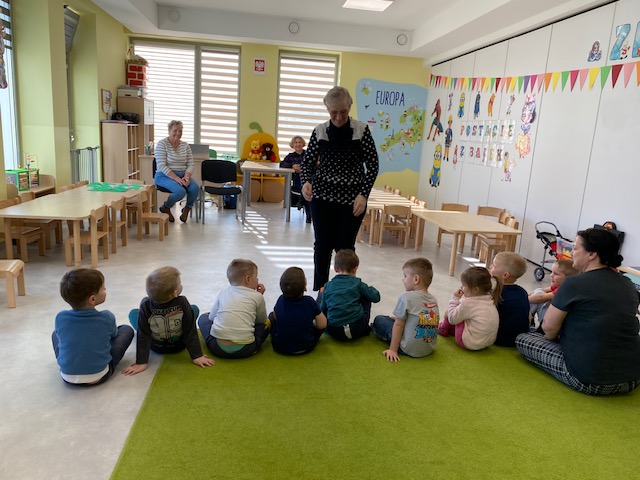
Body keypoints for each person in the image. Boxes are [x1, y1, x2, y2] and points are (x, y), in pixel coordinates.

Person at [516, 228, 640, 395]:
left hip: (588, 379)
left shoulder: (574, 283)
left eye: (575, 248)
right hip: (632, 378)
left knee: (523, 338)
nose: (572, 252)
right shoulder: (628, 285)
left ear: (592, 254)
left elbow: (549, 330)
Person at [301, 86, 379, 293]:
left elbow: (373, 165)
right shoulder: (320, 131)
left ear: (349, 108)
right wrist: (306, 182)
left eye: (343, 112)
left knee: (345, 248)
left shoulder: (361, 130)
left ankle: (345, 292)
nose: (338, 117)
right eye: (333, 112)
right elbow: (307, 164)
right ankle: (321, 292)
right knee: (322, 245)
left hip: (352, 201)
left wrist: (363, 194)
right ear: (327, 109)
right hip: (322, 198)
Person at [122, 267, 215, 375]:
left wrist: (141, 362)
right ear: (175, 293)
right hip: (180, 345)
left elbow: (143, 334)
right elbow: (190, 331)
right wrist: (197, 356)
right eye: (180, 283)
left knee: (134, 313)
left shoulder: (146, 304)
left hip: (155, 346)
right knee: (194, 309)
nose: (181, 284)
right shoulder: (182, 302)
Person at [52, 268, 134, 386]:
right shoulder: (107, 317)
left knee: (55, 334)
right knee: (126, 329)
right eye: (103, 289)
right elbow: (114, 335)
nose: (105, 290)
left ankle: (70, 363)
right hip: (99, 376)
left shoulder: (60, 317)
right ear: (92, 299)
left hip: (67, 377)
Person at [197, 259, 270, 359]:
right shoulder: (258, 296)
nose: (258, 280)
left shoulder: (223, 293)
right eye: (256, 277)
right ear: (248, 279)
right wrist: (259, 296)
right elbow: (261, 320)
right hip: (246, 349)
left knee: (203, 318)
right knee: (267, 324)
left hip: (217, 348)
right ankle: (255, 347)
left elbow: (211, 317)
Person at [372, 258, 439, 362]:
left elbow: (399, 325)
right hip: (429, 348)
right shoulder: (433, 300)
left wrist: (393, 350)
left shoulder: (406, 297)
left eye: (405, 276)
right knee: (395, 319)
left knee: (380, 319)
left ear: (416, 279)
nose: (403, 279)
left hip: (407, 349)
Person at [320, 249, 380, 341]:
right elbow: (376, 297)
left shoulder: (328, 286)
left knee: (323, 296)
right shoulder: (358, 283)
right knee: (366, 295)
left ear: (335, 268)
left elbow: (323, 309)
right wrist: (370, 288)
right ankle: (365, 329)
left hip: (334, 331)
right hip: (357, 329)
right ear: (355, 269)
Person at [437, 266, 502, 350]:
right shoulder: (490, 299)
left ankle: (443, 329)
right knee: (461, 313)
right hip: (487, 342)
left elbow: (452, 319)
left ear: (475, 290)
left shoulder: (468, 303)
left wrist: (455, 298)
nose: (461, 287)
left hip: (469, 343)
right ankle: (452, 330)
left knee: (451, 311)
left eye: (464, 285)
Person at [268, 267, 327, 355]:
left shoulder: (280, 299)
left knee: (271, 316)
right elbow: (323, 325)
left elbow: (276, 317)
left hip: (280, 347)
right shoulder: (309, 301)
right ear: (304, 288)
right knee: (321, 320)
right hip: (306, 347)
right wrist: (311, 322)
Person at [154, 120, 200, 223]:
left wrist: (187, 177)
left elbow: (190, 164)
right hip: (163, 176)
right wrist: (176, 178)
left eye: (180, 131)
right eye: (175, 130)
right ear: (169, 131)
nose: (178, 133)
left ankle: (186, 209)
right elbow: (161, 166)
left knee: (195, 188)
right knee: (180, 191)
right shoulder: (162, 144)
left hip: (182, 174)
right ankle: (166, 207)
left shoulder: (185, 145)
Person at [489, 252, 530, 347]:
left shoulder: (497, 292)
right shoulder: (522, 291)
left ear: (505, 275)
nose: (490, 267)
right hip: (519, 338)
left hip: (499, 338)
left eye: (494, 266)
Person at [528, 259, 578, 329]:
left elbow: (541, 298)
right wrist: (526, 295)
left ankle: (528, 319)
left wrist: (523, 299)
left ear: (568, 278)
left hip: (554, 323)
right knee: (538, 290)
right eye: (552, 272)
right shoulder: (559, 286)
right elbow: (543, 290)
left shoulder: (563, 290)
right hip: (554, 316)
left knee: (539, 293)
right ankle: (529, 317)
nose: (551, 275)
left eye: (556, 274)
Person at [280, 136, 311, 223]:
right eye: (296, 142)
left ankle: (302, 202)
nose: (298, 144)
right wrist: (292, 166)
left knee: (307, 191)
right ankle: (303, 204)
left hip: (308, 178)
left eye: (300, 142)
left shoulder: (308, 154)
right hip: (297, 179)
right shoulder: (290, 156)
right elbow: (282, 164)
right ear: (293, 145)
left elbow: (314, 163)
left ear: (303, 144)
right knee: (304, 191)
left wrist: (303, 168)